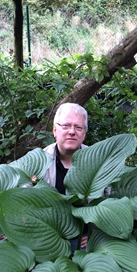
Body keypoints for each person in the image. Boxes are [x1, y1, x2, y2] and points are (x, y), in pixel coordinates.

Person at [43, 102, 88, 250]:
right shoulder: (39, 161)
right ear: (55, 130)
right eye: (66, 126)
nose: (72, 131)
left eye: (78, 127)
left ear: (84, 134)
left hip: (86, 239)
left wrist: (96, 234)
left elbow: (108, 201)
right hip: (48, 238)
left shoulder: (98, 161)